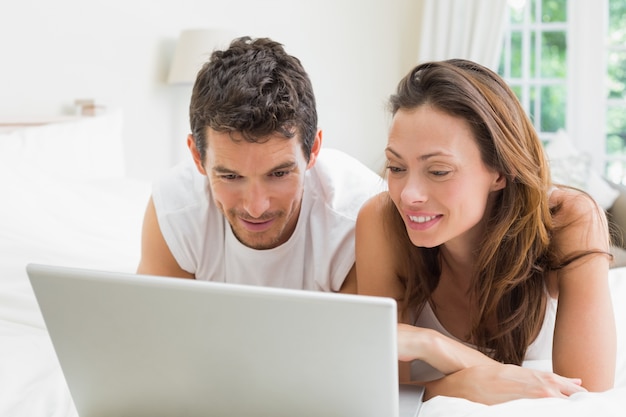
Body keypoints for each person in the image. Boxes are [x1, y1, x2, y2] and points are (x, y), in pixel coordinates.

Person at [355, 59, 617, 404]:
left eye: (438, 171)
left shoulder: (571, 220)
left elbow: (585, 399)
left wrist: (435, 346)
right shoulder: (382, 220)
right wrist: (461, 381)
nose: (408, 195)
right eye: (397, 167)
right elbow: (378, 393)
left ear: (499, 171)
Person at [137, 36, 384, 292]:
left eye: (278, 173)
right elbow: (153, 328)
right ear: (198, 157)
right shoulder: (174, 210)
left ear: (313, 150)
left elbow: (358, 331)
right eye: (231, 177)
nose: (255, 208)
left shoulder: (359, 217)